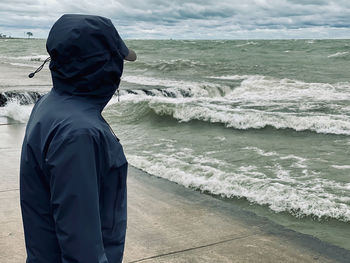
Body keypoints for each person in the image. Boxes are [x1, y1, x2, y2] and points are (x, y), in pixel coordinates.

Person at [20, 14, 136, 263]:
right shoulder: (79, 133)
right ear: (104, 64)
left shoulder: (51, 104)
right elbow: (81, 250)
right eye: (117, 59)